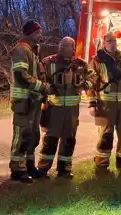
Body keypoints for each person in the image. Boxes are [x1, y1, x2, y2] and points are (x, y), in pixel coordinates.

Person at [37, 37, 91, 178]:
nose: (62, 48)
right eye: (61, 45)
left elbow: (93, 79)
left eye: (66, 46)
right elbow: (39, 81)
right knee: (50, 139)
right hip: (54, 108)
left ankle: (65, 169)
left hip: (72, 110)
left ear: (73, 48)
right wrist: (49, 88)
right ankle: (43, 168)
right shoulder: (49, 62)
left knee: (69, 139)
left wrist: (83, 84)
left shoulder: (81, 64)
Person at [90, 32, 121, 169]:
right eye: (109, 41)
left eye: (114, 41)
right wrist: (92, 104)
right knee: (106, 136)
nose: (113, 44)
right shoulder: (97, 61)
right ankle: (102, 162)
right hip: (105, 105)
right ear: (104, 43)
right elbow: (91, 83)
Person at [9, 20, 48, 182]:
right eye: (38, 32)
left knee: (33, 135)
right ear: (31, 33)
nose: (41, 35)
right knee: (22, 135)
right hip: (23, 101)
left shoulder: (33, 51)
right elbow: (21, 75)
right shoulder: (21, 50)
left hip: (34, 102)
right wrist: (42, 86)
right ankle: (17, 169)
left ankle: (29, 165)